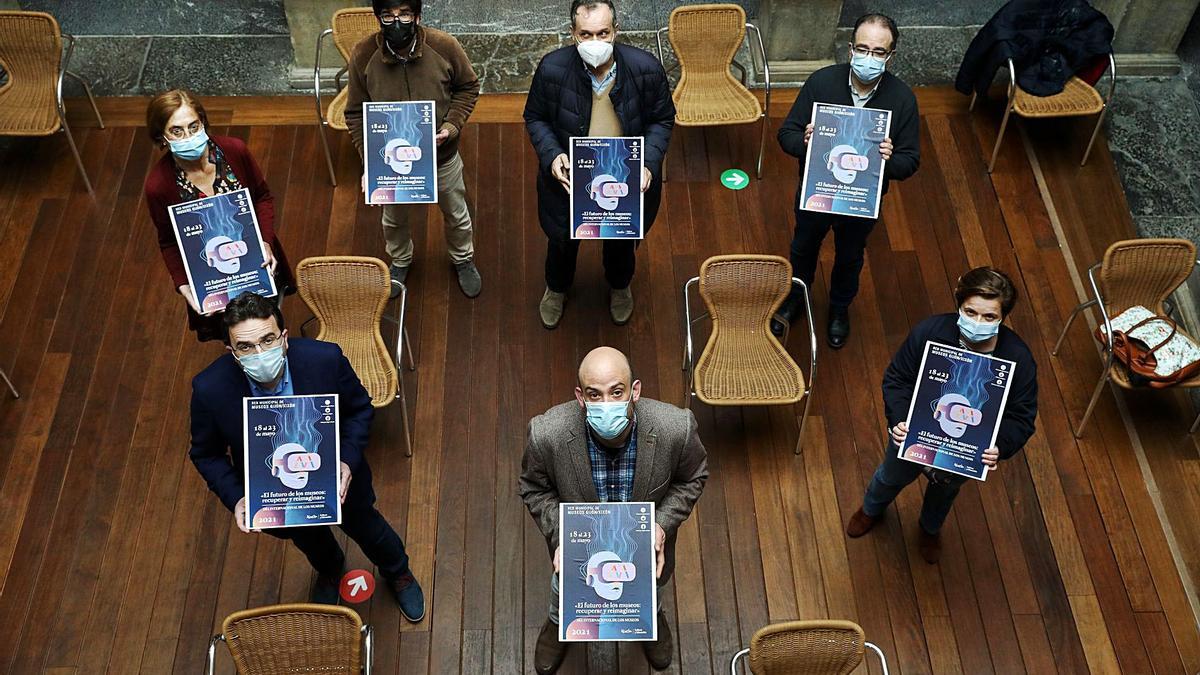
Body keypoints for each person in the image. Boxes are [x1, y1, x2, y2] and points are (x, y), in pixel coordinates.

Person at [188, 293, 425, 619]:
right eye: (246, 347)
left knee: (368, 527)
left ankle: (398, 571)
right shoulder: (209, 389)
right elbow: (206, 454)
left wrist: (345, 461)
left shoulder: (324, 359)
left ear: (283, 339)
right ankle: (330, 568)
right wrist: (238, 498)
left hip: (338, 480)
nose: (259, 352)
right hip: (274, 495)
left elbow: (358, 410)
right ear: (232, 352)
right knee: (310, 541)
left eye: (267, 339)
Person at [520, 347, 708, 673]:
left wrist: (660, 525)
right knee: (563, 588)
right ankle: (558, 622)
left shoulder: (675, 428)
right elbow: (534, 488)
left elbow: (692, 477)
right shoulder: (546, 434)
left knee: (651, 584)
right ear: (581, 398)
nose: (606, 404)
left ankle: (650, 617)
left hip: (646, 548)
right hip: (578, 547)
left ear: (634, 391)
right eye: (595, 395)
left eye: (616, 392)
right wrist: (563, 534)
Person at [845, 268, 1038, 563]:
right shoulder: (929, 332)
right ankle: (871, 509)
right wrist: (898, 419)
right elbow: (897, 379)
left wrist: (1000, 446)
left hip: (964, 452)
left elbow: (1022, 417)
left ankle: (929, 529)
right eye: (970, 312)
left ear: (1002, 317)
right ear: (959, 306)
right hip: (912, 436)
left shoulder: (1019, 359)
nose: (977, 323)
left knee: (944, 494)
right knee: (889, 477)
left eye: (989, 317)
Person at [523, 0, 675, 330]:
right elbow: (535, 117)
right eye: (586, 34)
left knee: (621, 242)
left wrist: (648, 164)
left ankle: (620, 287)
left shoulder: (645, 68)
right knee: (562, 241)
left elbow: (662, 119)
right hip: (569, 178)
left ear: (615, 31)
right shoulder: (552, 68)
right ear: (573, 34)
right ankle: (557, 288)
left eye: (603, 33)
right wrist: (552, 156)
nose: (596, 42)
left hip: (625, 176)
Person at [774, 13, 920, 349]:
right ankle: (796, 295)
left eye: (879, 52)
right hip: (817, 193)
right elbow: (787, 135)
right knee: (803, 247)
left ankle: (839, 308)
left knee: (850, 256)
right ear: (850, 49)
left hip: (860, 202)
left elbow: (909, 161)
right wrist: (806, 142)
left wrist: (888, 159)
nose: (869, 58)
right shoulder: (822, 82)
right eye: (863, 48)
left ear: (891, 56)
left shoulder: (902, 99)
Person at [345, 0, 483, 299]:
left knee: (456, 213)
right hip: (390, 165)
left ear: (417, 16)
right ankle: (400, 260)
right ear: (378, 18)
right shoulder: (363, 54)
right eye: (388, 16)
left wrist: (450, 127)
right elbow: (355, 112)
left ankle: (463, 259)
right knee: (393, 219)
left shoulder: (444, 46)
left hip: (441, 157)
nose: (397, 22)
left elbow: (468, 87)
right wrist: (369, 161)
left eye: (405, 15)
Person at [143, 89, 295, 342]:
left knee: (270, 322)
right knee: (235, 335)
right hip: (212, 274)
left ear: (203, 122)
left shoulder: (234, 151)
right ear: (162, 137)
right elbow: (169, 241)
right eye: (177, 131)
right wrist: (183, 286)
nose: (188, 136)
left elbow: (262, 197)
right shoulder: (158, 185)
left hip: (255, 262)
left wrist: (266, 242)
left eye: (194, 126)